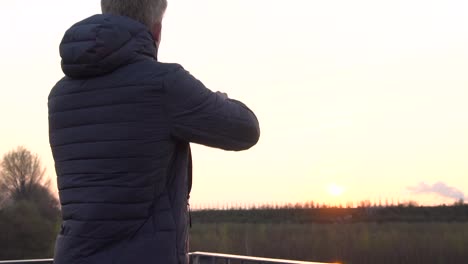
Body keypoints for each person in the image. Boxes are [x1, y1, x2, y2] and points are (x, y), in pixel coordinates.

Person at [47, 0, 260, 263]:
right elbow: (246, 129)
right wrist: (215, 98)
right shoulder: (164, 85)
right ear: (156, 31)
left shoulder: (59, 96)